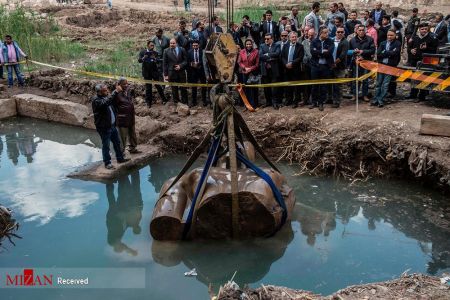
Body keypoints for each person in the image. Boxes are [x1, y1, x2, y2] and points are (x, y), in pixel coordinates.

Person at [91, 83, 128, 169]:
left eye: (107, 89)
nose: (107, 91)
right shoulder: (96, 100)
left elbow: (112, 103)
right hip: (104, 127)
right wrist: (115, 92)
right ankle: (107, 163)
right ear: (99, 92)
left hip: (112, 125)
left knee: (117, 142)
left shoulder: (106, 97)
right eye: (105, 90)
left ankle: (120, 158)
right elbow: (105, 103)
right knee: (106, 145)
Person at [407, 23, 438, 102]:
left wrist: (427, 48)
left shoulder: (432, 38)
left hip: (425, 62)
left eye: (425, 29)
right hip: (414, 61)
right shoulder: (415, 38)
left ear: (428, 29)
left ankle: (422, 96)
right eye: (422, 29)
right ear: (419, 30)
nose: (424, 30)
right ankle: (413, 94)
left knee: (423, 78)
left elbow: (435, 51)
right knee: (414, 77)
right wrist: (411, 50)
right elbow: (409, 47)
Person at [373, 29, 401, 108]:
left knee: (385, 84)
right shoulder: (382, 43)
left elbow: (395, 53)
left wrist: (384, 52)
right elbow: (378, 54)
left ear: (395, 35)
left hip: (390, 66)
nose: (389, 37)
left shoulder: (397, 43)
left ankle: (380, 99)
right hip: (381, 65)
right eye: (388, 35)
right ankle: (376, 99)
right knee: (378, 83)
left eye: (391, 35)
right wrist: (388, 53)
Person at [112, 77, 140, 155]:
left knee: (132, 134)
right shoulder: (115, 94)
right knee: (122, 137)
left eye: (127, 84)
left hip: (130, 117)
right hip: (122, 119)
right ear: (119, 85)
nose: (126, 85)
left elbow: (131, 96)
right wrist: (116, 91)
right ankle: (121, 153)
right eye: (124, 84)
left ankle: (133, 148)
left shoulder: (128, 91)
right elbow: (112, 104)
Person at [310, 26, 335, 111]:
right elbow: (312, 52)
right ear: (321, 33)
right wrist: (321, 51)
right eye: (325, 32)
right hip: (315, 66)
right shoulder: (314, 41)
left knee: (323, 86)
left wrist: (318, 52)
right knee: (314, 85)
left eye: (327, 32)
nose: (327, 34)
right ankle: (314, 102)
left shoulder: (330, 41)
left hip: (325, 67)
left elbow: (329, 53)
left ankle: (321, 103)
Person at [349, 25, 376, 102]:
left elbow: (372, 50)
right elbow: (348, 51)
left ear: (365, 31)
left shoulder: (370, 39)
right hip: (356, 63)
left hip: (366, 62)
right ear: (356, 31)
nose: (361, 32)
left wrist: (362, 52)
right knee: (355, 80)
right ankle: (355, 95)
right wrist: (354, 52)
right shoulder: (352, 40)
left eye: (362, 30)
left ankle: (365, 95)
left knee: (365, 80)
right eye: (359, 30)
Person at [138, 40, 167, 107]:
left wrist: (155, 59)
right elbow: (139, 60)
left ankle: (164, 99)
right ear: (147, 45)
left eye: (153, 45)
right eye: (151, 45)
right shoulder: (143, 52)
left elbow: (158, 61)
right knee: (148, 88)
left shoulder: (155, 53)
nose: (152, 47)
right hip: (146, 72)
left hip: (154, 72)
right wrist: (143, 58)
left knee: (158, 86)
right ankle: (149, 103)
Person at [281, 31, 304, 108]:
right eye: (292, 37)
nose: (294, 38)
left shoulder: (300, 46)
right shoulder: (285, 45)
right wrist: (286, 64)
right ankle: (288, 100)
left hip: (295, 69)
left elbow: (300, 57)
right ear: (289, 38)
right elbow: (282, 57)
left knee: (296, 87)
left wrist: (292, 63)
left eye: (295, 37)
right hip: (286, 69)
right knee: (288, 86)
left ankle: (296, 101)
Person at [163, 38, 188, 104]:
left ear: (176, 43)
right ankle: (177, 103)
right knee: (174, 89)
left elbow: (186, 61)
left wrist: (180, 66)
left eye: (173, 43)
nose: (172, 45)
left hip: (181, 72)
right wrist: (166, 75)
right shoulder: (166, 51)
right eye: (171, 43)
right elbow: (165, 64)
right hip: (172, 73)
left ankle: (185, 103)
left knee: (183, 89)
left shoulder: (182, 49)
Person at [259, 33, 281, 109]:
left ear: (272, 39)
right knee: (266, 87)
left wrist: (267, 54)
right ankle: (268, 102)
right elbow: (260, 55)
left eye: (268, 39)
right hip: (265, 69)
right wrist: (271, 57)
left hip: (274, 69)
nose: (266, 40)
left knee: (275, 87)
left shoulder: (277, 45)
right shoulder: (262, 46)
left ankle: (275, 102)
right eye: (265, 39)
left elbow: (277, 54)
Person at [237, 38, 259, 108]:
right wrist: (244, 67)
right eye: (247, 44)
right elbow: (239, 62)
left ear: (252, 44)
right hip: (244, 72)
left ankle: (255, 104)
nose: (248, 45)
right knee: (246, 89)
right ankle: (247, 104)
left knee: (254, 89)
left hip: (253, 73)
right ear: (245, 45)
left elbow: (257, 64)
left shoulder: (256, 51)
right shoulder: (242, 51)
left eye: (250, 44)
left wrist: (250, 69)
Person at [331, 26, 348, 108]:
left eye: (342, 32)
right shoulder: (331, 40)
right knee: (332, 84)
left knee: (339, 85)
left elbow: (342, 55)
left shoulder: (345, 42)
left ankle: (338, 101)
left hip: (340, 66)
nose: (340, 33)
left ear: (344, 33)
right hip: (331, 66)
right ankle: (332, 99)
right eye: (338, 32)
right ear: (335, 32)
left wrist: (334, 63)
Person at [187, 40, 207, 107]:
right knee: (194, 87)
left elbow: (205, 60)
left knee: (203, 87)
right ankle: (194, 101)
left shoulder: (203, 51)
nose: (194, 47)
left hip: (202, 71)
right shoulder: (189, 52)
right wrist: (192, 64)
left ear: (199, 45)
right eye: (193, 45)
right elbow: (188, 61)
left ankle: (204, 100)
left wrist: (199, 63)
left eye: (196, 45)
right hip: (193, 72)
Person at [301, 28, 315, 105]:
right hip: (306, 65)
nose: (310, 36)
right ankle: (305, 99)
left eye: (311, 35)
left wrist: (309, 56)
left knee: (313, 83)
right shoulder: (304, 42)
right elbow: (303, 55)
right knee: (306, 83)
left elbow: (316, 54)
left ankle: (313, 100)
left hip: (314, 65)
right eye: (309, 35)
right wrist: (307, 57)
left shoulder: (317, 42)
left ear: (314, 35)